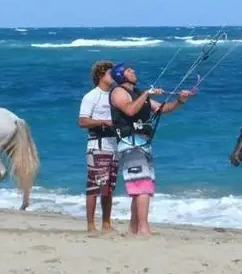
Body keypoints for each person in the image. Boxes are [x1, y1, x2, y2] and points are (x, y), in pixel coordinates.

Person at [108, 62, 192, 236]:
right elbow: (130, 110)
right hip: (130, 143)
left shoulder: (139, 94)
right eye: (129, 70)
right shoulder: (118, 92)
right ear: (121, 75)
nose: (134, 71)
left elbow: (163, 109)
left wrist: (180, 101)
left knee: (139, 187)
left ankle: (133, 229)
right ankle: (144, 229)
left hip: (143, 143)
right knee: (143, 186)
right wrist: (147, 93)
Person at [78, 60, 119, 232]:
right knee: (94, 186)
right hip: (97, 144)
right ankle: (90, 225)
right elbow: (82, 121)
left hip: (114, 146)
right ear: (101, 75)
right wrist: (104, 122)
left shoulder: (115, 95)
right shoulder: (91, 96)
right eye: (111, 73)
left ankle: (107, 223)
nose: (115, 76)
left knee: (109, 188)